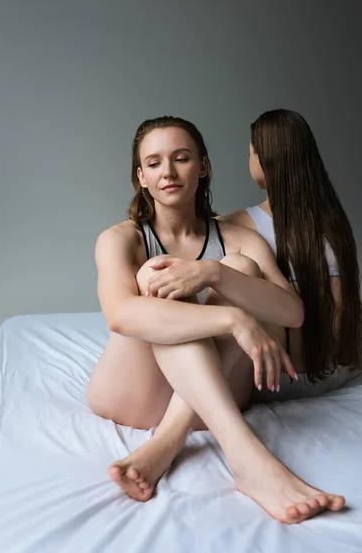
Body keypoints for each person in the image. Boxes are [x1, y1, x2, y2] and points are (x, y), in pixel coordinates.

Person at [87, 115, 345, 524]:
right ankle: (247, 455)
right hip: (132, 395)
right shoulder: (122, 238)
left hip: (200, 402)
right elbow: (120, 315)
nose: (168, 172)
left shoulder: (237, 237)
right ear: (141, 177)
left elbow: (291, 312)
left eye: (181, 158)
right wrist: (232, 320)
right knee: (158, 275)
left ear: (203, 166)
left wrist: (215, 273)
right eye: (154, 163)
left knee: (240, 266)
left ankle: (167, 442)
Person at [222, 108, 362, 402]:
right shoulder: (335, 221)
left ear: (265, 159)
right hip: (343, 369)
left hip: (283, 380)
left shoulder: (237, 224)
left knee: (232, 274)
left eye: (251, 152)